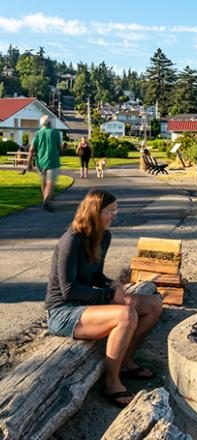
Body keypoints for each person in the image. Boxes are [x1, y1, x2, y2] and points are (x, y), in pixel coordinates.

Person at [44, 189, 163, 408]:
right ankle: (111, 381)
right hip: (63, 312)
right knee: (126, 315)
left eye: (116, 210)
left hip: (86, 304)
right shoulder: (71, 240)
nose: (114, 215)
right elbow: (68, 290)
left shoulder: (104, 236)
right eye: (110, 211)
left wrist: (112, 284)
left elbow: (95, 276)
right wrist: (110, 295)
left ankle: (126, 360)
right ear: (94, 211)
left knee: (153, 305)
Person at [28, 115, 62, 211]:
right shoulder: (55, 133)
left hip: (40, 162)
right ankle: (46, 201)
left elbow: (31, 149)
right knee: (50, 182)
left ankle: (45, 199)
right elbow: (60, 148)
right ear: (50, 123)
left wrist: (29, 163)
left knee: (43, 182)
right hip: (53, 161)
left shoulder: (37, 133)